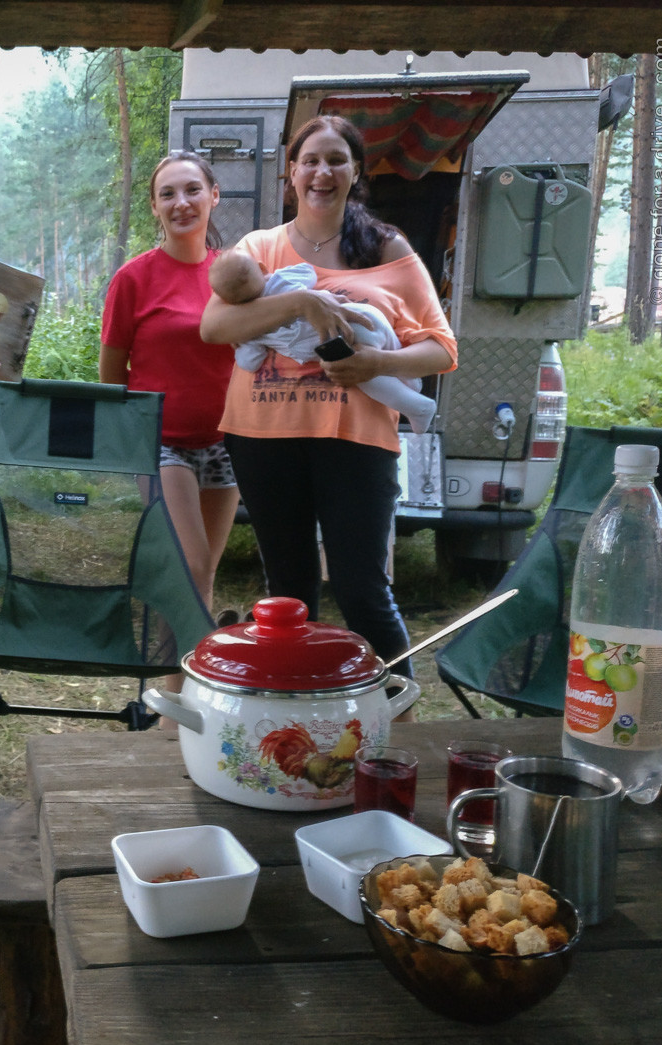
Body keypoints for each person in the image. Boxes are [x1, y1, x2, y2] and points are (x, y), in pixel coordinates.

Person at [200, 115, 457, 679]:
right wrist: (299, 305)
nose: (322, 172)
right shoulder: (257, 249)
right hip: (262, 439)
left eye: (336, 160)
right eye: (310, 160)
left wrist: (378, 364)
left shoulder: (387, 249)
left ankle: (397, 723)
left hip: (357, 441)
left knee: (362, 589)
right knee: (288, 592)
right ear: (290, 172)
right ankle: (302, 710)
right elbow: (213, 328)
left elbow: (441, 348)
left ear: (355, 171)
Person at [100, 150, 240, 670]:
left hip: (227, 443)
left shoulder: (232, 277)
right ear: (155, 208)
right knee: (189, 566)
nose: (181, 203)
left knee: (202, 576)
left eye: (192, 190)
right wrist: (129, 442)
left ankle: (179, 688)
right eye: (168, 194)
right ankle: (170, 704)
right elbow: (112, 371)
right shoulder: (134, 278)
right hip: (162, 442)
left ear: (213, 196)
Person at [209, 250, 437, 434]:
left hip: (344, 336)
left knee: (363, 374)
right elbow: (308, 273)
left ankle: (416, 407)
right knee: (387, 350)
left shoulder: (252, 329)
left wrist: (239, 341)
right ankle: (411, 383)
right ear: (261, 268)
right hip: (363, 314)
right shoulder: (281, 279)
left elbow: (250, 362)